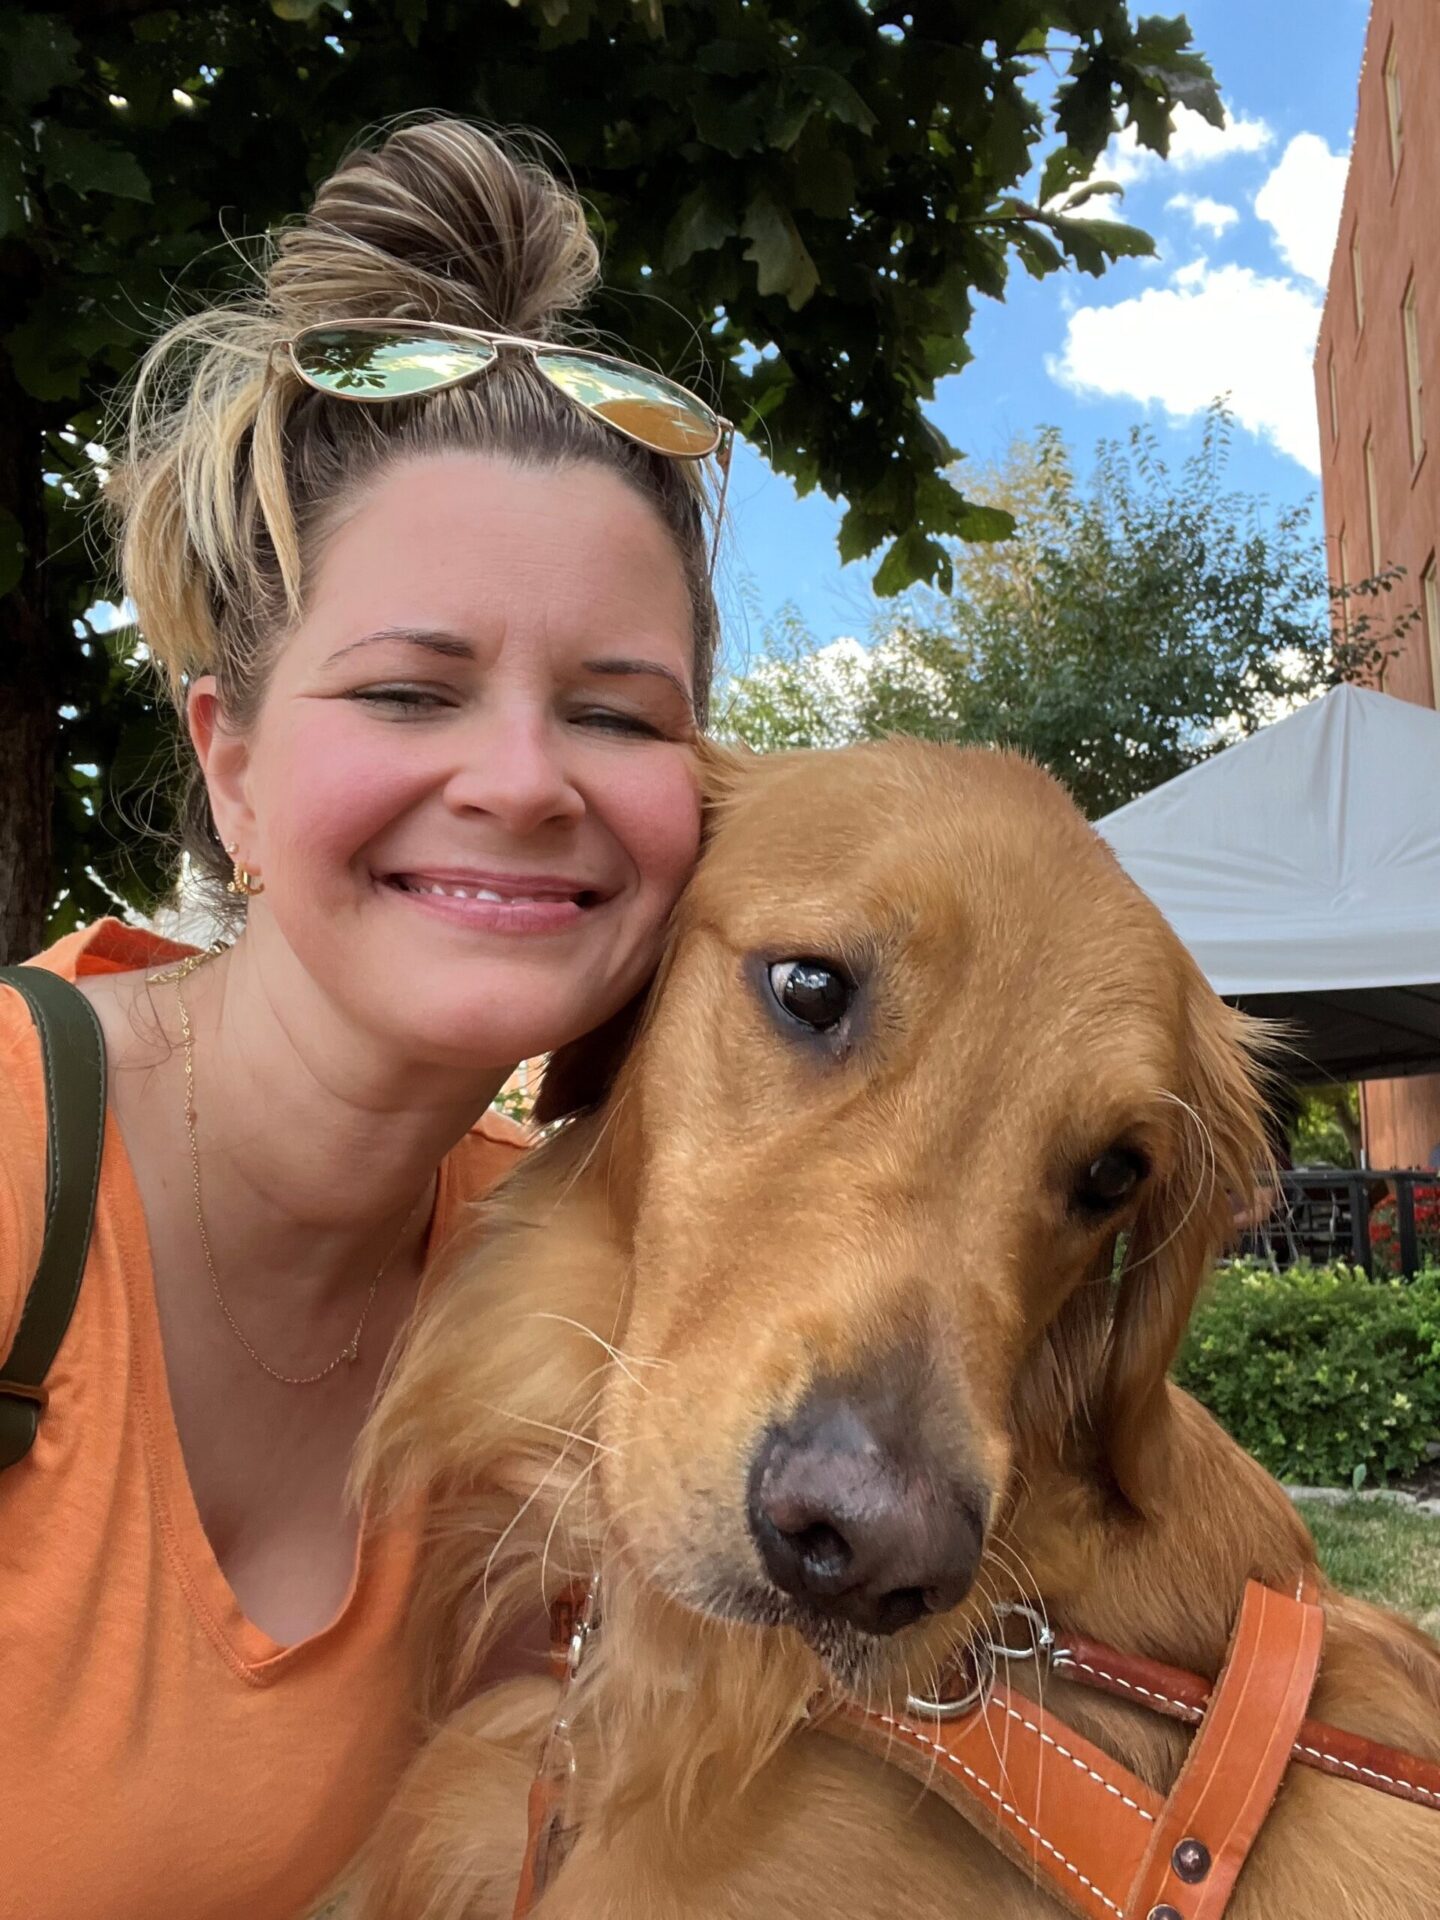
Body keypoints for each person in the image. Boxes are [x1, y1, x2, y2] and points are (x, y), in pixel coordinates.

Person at [0, 119, 727, 1919]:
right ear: (231, 761)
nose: (525, 780)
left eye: (620, 715)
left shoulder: (575, 1276)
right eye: (411, 691)